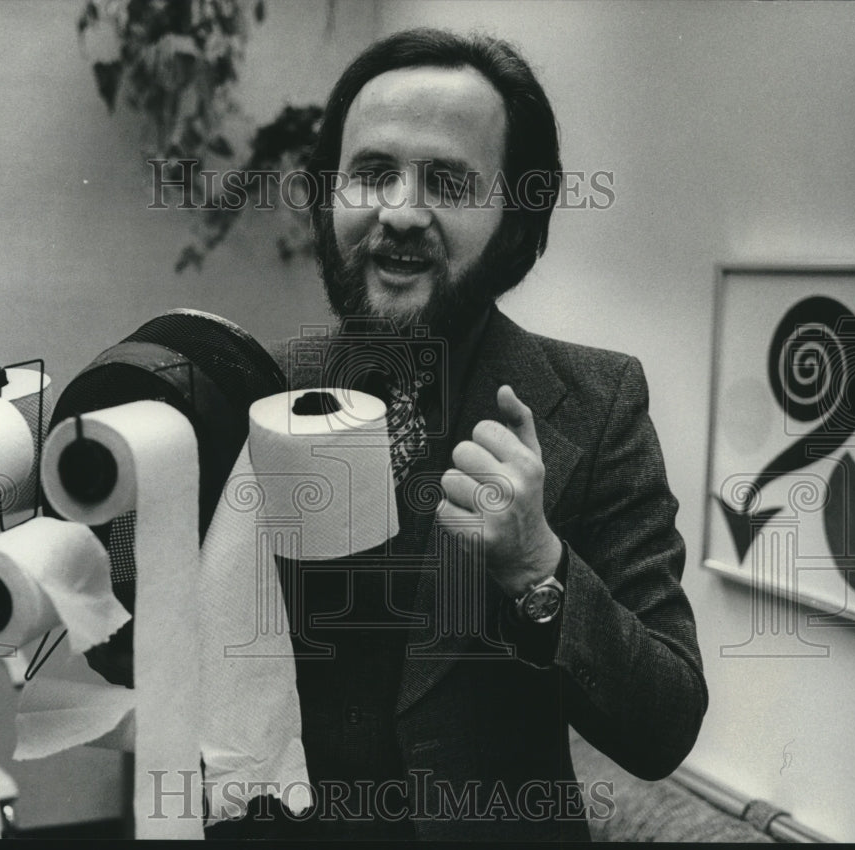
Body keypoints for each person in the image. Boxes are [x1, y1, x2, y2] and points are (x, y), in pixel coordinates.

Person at [217, 26, 707, 841]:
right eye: (372, 173)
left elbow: (665, 725)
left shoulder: (598, 402)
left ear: (517, 219)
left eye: (447, 181)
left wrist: (538, 566)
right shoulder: (252, 388)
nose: (401, 212)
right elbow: (133, 654)